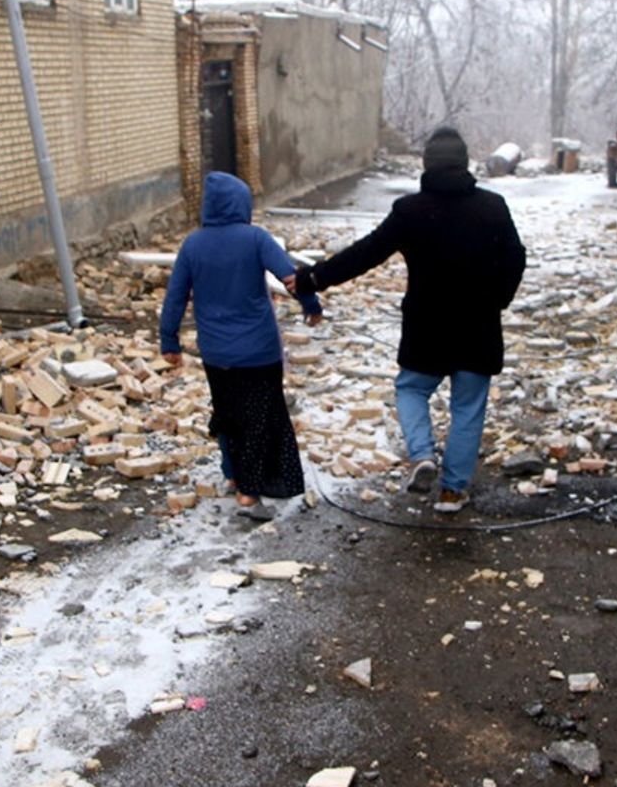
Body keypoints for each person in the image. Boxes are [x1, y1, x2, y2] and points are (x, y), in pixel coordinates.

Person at [292, 128, 526, 515]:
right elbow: (516, 259)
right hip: (478, 326)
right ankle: (452, 492)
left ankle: (422, 454)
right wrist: (498, 300)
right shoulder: (493, 207)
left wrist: (313, 278)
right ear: (465, 162)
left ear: (426, 165)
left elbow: (366, 253)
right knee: (468, 407)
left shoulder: (410, 211)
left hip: (427, 326)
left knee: (412, 390)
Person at [160, 172, 322, 512]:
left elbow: (175, 296)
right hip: (259, 351)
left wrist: (169, 342)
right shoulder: (256, 239)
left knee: (229, 412)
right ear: (241, 204)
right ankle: (249, 490)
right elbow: (290, 277)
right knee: (259, 417)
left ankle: (233, 474)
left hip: (216, 352)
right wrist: (311, 306)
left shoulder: (192, 244)